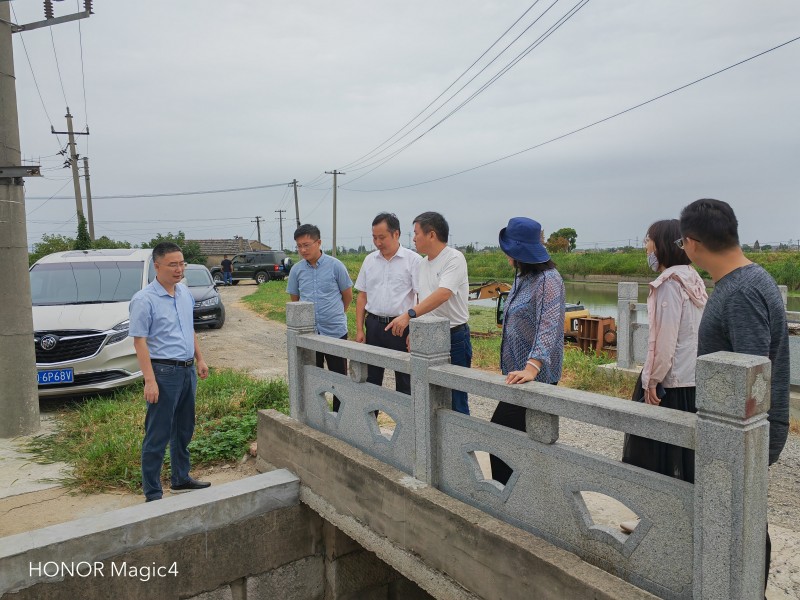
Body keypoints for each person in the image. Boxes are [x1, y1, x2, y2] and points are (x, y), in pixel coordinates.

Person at [679, 198, 789, 592]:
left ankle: (744, 589)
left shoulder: (740, 292)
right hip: (738, 426)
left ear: (692, 243)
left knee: (741, 517)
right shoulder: (748, 280)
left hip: (742, 429)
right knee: (738, 514)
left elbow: (751, 375)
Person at [621, 219, 707, 498]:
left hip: (668, 382)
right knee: (682, 456)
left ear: (663, 245)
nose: (646, 247)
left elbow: (663, 340)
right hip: (691, 380)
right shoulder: (693, 277)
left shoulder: (668, 284)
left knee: (652, 451)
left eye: (649, 241)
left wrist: (651, 381)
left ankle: (652, 514)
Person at [129, 242, 211, 502]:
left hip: (187, 371)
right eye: (173, 264)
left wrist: (200, 359)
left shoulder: (184, 293)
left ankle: (180, 478)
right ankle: (152, 492)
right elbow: (139, 341)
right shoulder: (144, 299)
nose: (179, 269)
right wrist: (149, 381)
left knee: (184, 429)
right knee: (158, 433)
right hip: (163, 372)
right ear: (157, 266)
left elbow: (190, 329)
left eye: (182, 263)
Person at [490, 217, 566, 485]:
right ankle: (516, 494)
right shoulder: (524, 277)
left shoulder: (548, 280)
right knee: (524, 441)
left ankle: (508, 494)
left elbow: (549, 325)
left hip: (536, 375)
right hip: (518, 375)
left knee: (503, 434)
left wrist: (532, 367)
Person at [386, 211, 471, 414]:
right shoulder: (423, 263)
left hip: (454, 336)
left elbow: (443, 294)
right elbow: (422, 298)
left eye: (416, 233)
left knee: (456, 398)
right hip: (429, 337)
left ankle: (460, 445)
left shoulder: (454, 258)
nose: (413, 238)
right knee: (430, 395)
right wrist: (416, 332)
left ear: (431, 234)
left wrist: (408, 316)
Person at [287, 224, 353, 412]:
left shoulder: (336, 266)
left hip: (335, 332)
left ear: (319, 242)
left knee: (339, 379)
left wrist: (337, 314)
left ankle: (340, 417)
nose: (302, 250)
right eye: (299, 246)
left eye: (306, 245)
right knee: (311, 377)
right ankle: (317, 416)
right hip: (308, 335)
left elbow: (347, 295)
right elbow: (295, 300)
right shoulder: (296, 270)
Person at [354, 213, 422, 394]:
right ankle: (370, 422)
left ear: (396, 234)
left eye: (382, 237)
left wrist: (414, 330)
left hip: (401, 327)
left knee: (405, 380)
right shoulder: (370, 260)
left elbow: (421, 297)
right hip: (374, 326)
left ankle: (406, 422)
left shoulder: (413, 260)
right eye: (374, 237)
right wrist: (360, 329)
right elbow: (362, 296)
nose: (377, 242)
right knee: (371, 379)